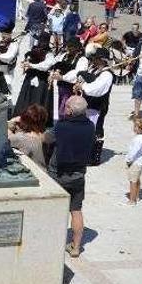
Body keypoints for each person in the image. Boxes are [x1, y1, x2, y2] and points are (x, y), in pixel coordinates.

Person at [43, 96, 95, 258]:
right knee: (76, 210)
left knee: (53, 210)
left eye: (66, 106)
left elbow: (46, 139)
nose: (64, 108)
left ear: (71, 110)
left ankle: (49, 244)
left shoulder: (62, 126)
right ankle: (76, 247)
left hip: (58, 174)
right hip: (78, 174)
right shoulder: (90, 126)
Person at [75, 48, 115, 165]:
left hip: (98, 105)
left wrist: (83, 87)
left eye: (96, 59)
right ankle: (83, 153)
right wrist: (80, 83)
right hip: (88, 103)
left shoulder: (107, 74)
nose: (94, 61)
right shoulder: (95, 69)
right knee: (85, 129)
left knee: (95, 129)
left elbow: (97, 89)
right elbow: (86, 79)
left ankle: (92, 157)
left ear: (102, 60)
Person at [14, 32, 56, 119]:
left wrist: (32, 65)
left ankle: (37, 120)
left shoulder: (49, 54)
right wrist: (26, 63)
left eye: (44, 41)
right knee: (27, 99)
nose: (42, 43)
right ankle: (25, 118)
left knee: (39, 100)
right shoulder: (33, 51)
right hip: (30, 78)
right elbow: (27, 60)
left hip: (42, 80)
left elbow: (45, 66)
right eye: (41, 40)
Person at [124, 117, 142, 206]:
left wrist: (129, 160)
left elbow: (134, 152)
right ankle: (136, 195)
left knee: (133, 181)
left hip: (135, 163)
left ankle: (132, 200)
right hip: (140, 162)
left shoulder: (139, 139)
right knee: (136, 180)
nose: (134, 128)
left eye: (136, 126)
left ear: (141, 128)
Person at [0, 22, 19, 98]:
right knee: (0, 88)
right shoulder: (0, 42)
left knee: (8, 87)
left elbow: (9, 56)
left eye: (6, 34)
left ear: (10, 34)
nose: (3, 36)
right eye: (3, 34)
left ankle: (8, 107)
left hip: (8, 70)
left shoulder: (14, 44)